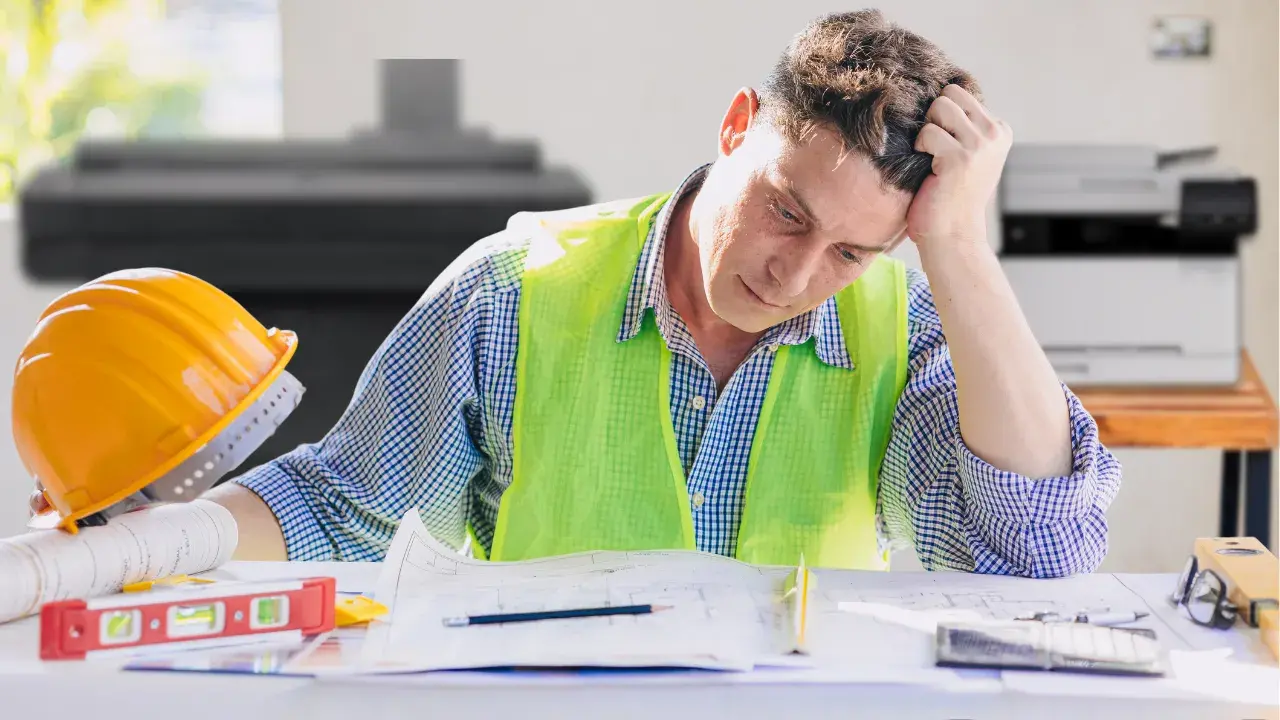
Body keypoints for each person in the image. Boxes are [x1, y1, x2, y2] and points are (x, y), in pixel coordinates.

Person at [68, 10, 1124, 575]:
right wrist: (136, 544)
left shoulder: (910, 322)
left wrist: (959, 252)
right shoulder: (512, 290)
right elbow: (341, 509)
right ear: (734, 128)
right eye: (786, 211)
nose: (792, 276)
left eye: (854, 253)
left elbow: (1031, 552)